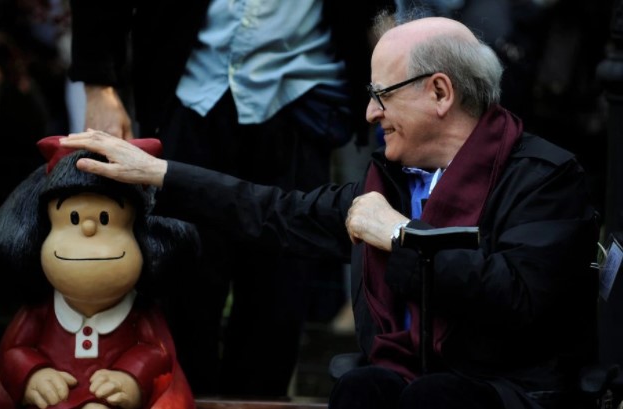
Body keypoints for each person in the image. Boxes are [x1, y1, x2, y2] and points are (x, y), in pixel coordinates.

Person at [60, 15, 600, 409]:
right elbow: (268, 209)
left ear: (440, 92)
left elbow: (519, 298)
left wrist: (405, 236)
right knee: (363, 388)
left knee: (434, 398)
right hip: (412, 382)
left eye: (381, 94)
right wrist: (157, 173)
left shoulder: (546, 176)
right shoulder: (386, 182)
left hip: (511, 390)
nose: (369, 112)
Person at [67, 0, 394, 396]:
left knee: (279, 299)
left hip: (301, 98)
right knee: (182, 285)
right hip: (190, 92)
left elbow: (379, 9)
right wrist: (99, 85)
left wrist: (392, 87)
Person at [0, 136, 198, 409]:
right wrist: (33, 373)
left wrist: (130, 376)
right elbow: (12, 351)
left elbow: (158, 353)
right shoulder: (42, 311)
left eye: (106, 219)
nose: (89, 231)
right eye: (72, 219)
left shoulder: (139, 313)